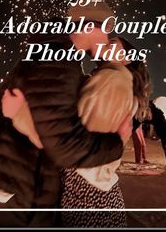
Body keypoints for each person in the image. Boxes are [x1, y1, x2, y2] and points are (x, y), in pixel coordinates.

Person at [0, 0, 131, 228]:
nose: (107, 40)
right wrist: (116, 142)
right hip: (10, 193)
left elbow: (51, 126)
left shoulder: (59, 55)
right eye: (107, 31)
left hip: (17, 186)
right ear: (91, 26)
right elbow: (63, 145)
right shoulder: (58, 56)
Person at [60, 37, 151, 227]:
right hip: (103, 186)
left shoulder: (112, 78)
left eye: (112, 42)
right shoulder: (123, 82)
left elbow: (73, 125)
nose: (104, 41)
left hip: (84, 188)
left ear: (126, 58)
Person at [147, 100, 166, 167]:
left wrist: (144, 121)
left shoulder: (155, 113)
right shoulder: (157, 111)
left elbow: (153, 121)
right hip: (165, 130)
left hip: (164, 131)